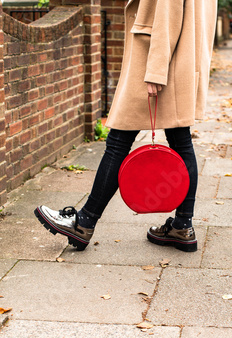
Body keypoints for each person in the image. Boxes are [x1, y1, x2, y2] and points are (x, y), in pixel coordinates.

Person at [35, 0, 217, 252]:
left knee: (119, 141)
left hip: (157, 62)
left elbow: (167, 12)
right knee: (180, 140)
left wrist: (155, 71)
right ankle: (182, 226)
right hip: (182, 59)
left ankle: (83, 222)